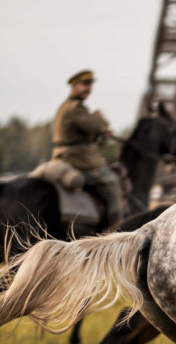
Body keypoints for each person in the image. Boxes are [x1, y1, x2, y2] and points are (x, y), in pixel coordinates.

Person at [52, 70, 125, 228]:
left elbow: (88, 132)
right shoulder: (75, 108)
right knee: (112, 181)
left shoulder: (65, 107)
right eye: (84, 84)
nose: (88, 88)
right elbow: (94, 126)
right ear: (74, 86)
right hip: (78, 159)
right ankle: (116, 229)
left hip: (66, 156)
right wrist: (101, 123)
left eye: (90, 85)